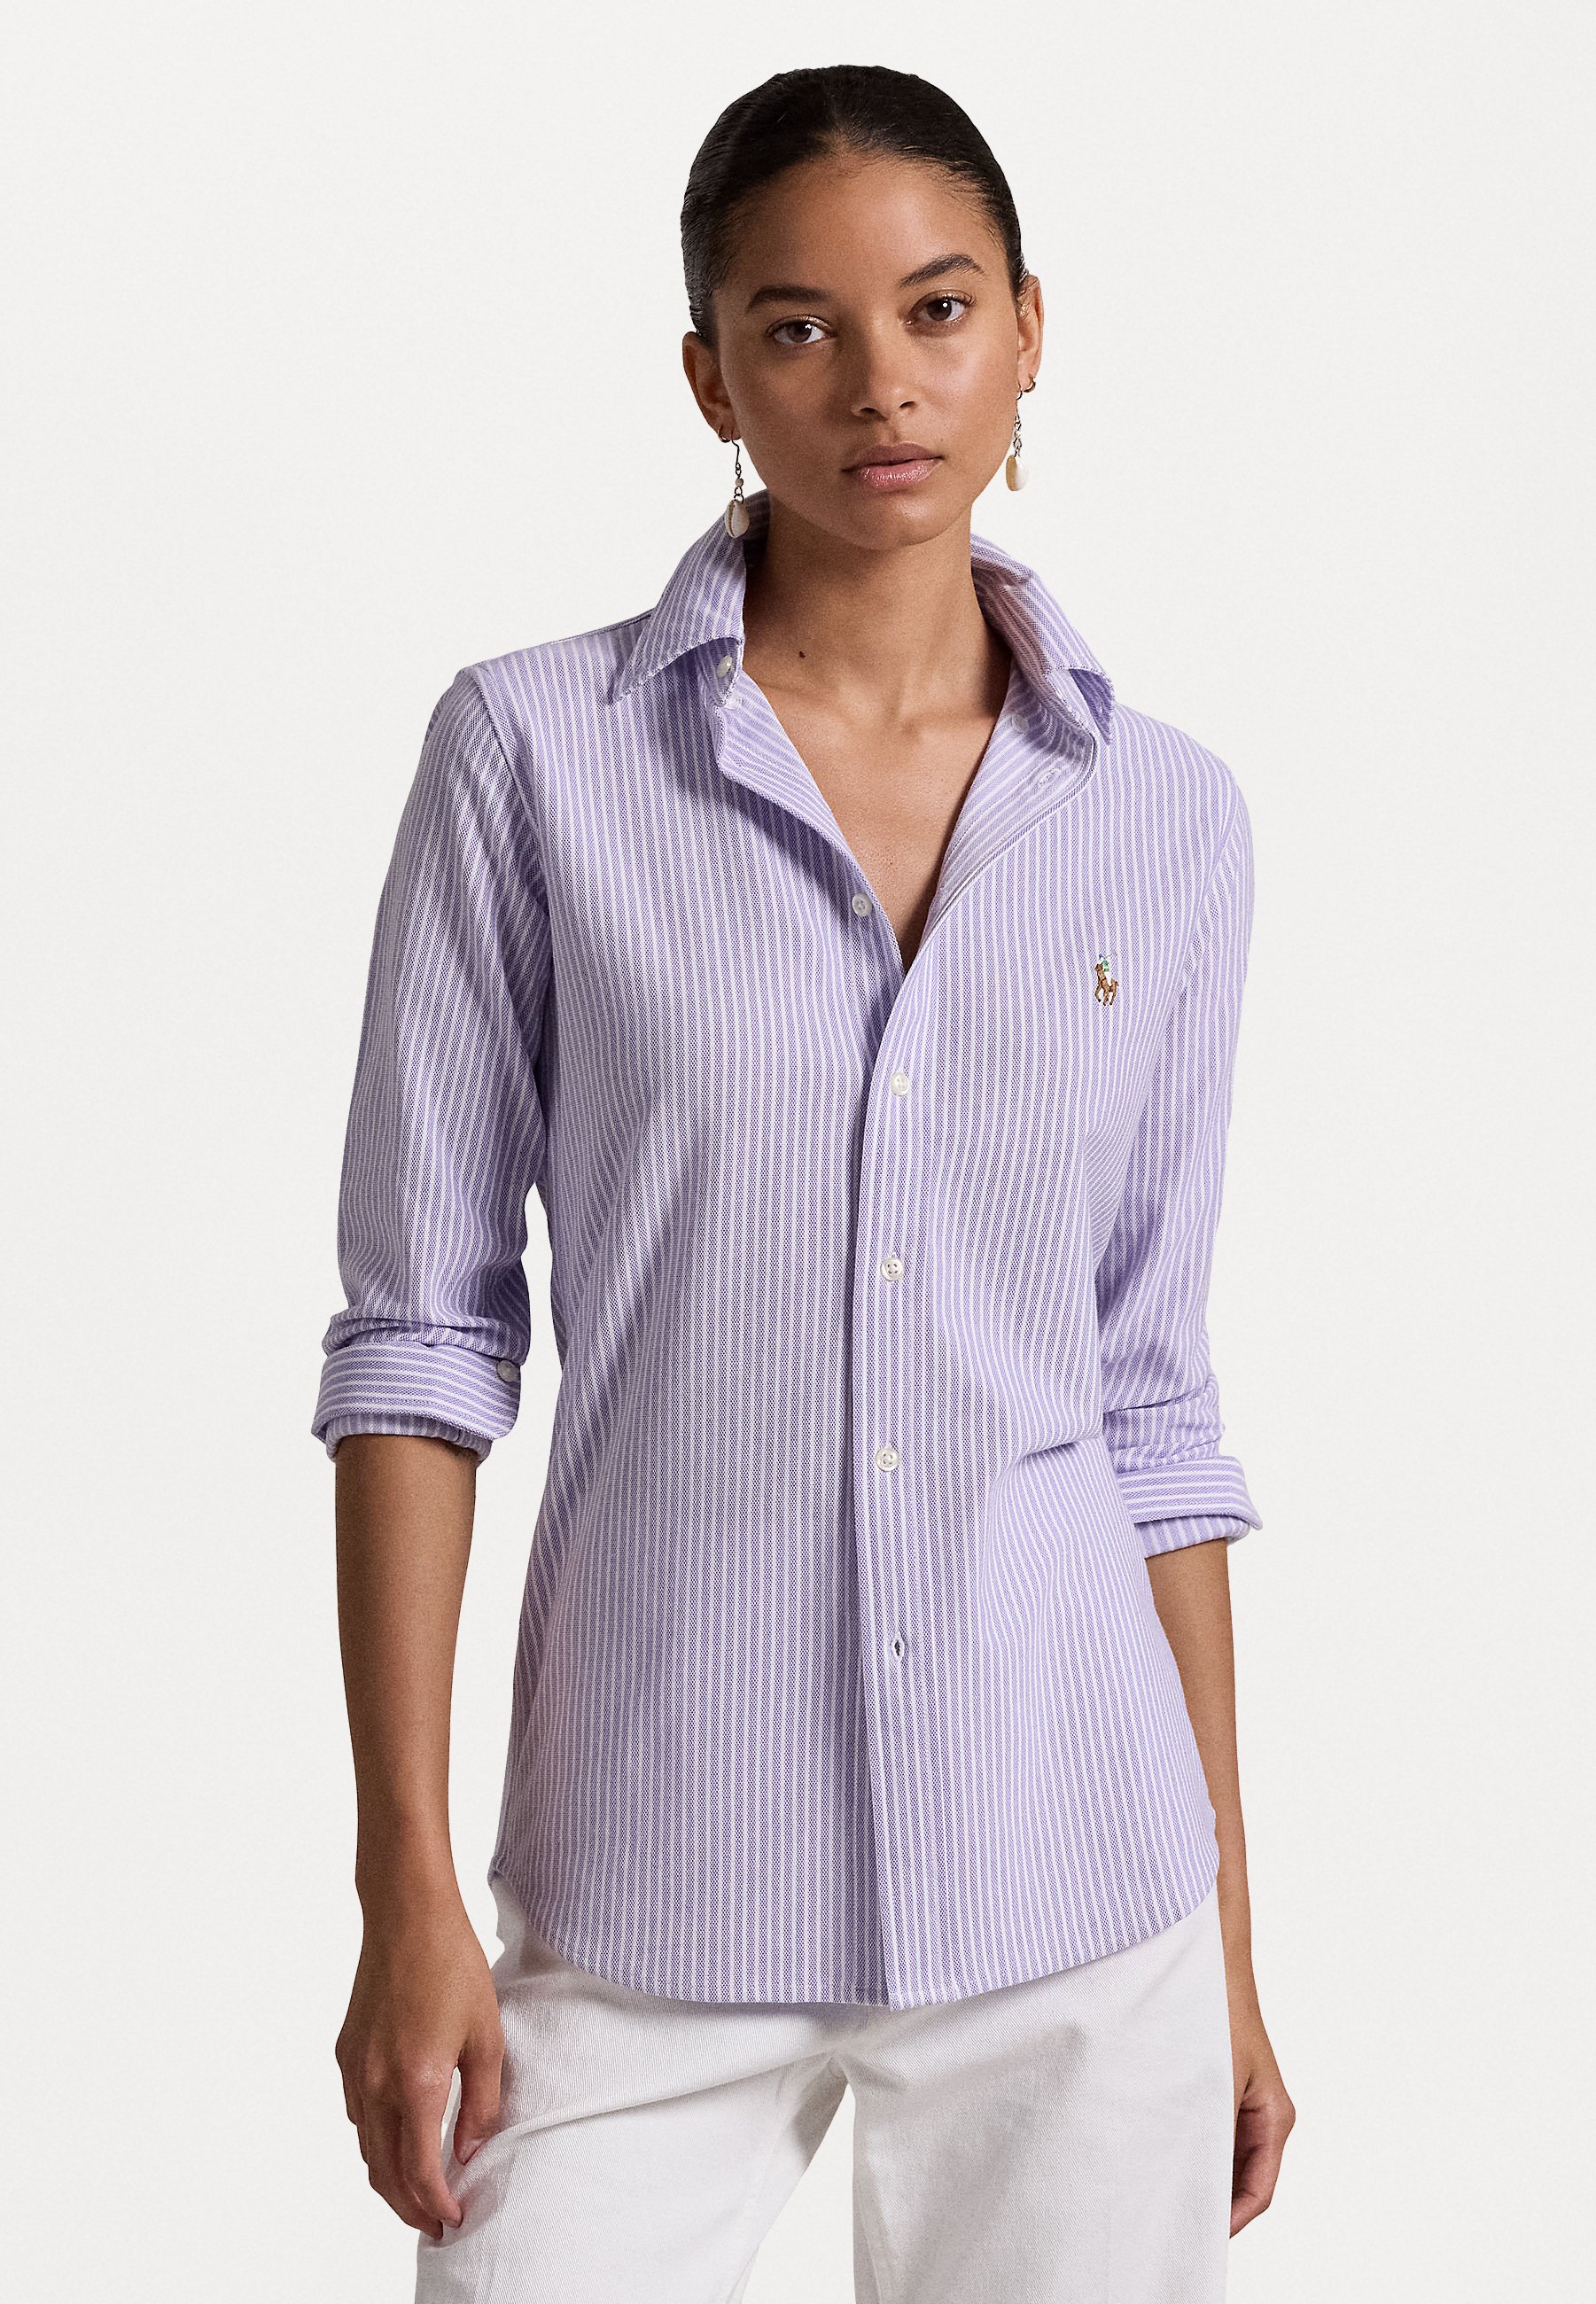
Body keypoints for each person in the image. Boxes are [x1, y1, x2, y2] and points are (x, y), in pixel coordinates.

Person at [315, 62, 1295, 2304]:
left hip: (1080, 1892)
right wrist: (403, 1886)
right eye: (798, 327)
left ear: (1027, 332)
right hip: (654, 1872)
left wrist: (1228, 1947)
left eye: (936, 309)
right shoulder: (531, 758)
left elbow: (1148, 1404)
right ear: (711, 380)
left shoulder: (1167, 818)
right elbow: (421, 1345)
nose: (880, 384)